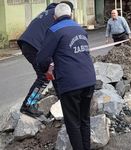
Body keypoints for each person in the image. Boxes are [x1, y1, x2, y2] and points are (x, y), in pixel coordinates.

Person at [37, 3, 96, 150]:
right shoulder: (79, 28)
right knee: (84, 120)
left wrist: (47, 69)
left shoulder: (54, 30)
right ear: (71, 14)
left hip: (70, 83)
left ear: (54, 17)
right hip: (89, 79)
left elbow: (42, 58)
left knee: (73, 123)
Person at [17, 1, 74, 118]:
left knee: (52, 71)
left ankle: (62, 100)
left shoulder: (48, 12)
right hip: (34, 45)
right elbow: (60, 37)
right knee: (44, 76)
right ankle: (28, 105)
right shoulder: (58, 16)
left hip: (28, 43)